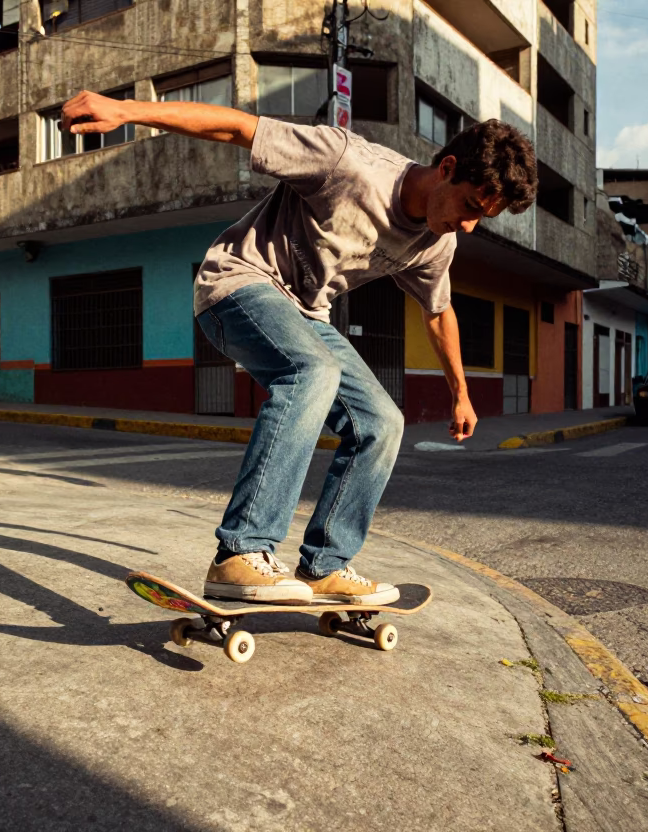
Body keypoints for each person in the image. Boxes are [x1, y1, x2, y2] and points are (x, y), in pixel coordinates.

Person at [61, 90, 537, 606]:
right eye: (469, 206)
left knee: (381, 423)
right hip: (237, 286)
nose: (467, 226)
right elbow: (238, 128)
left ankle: (325, 566)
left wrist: (461, 393)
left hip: (307, 316)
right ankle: (240, 553)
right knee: (313, 373)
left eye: (482, 218)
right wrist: (128, 112)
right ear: (447, 168)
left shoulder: (435, 242)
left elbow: (439, 312)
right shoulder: (347, 162)